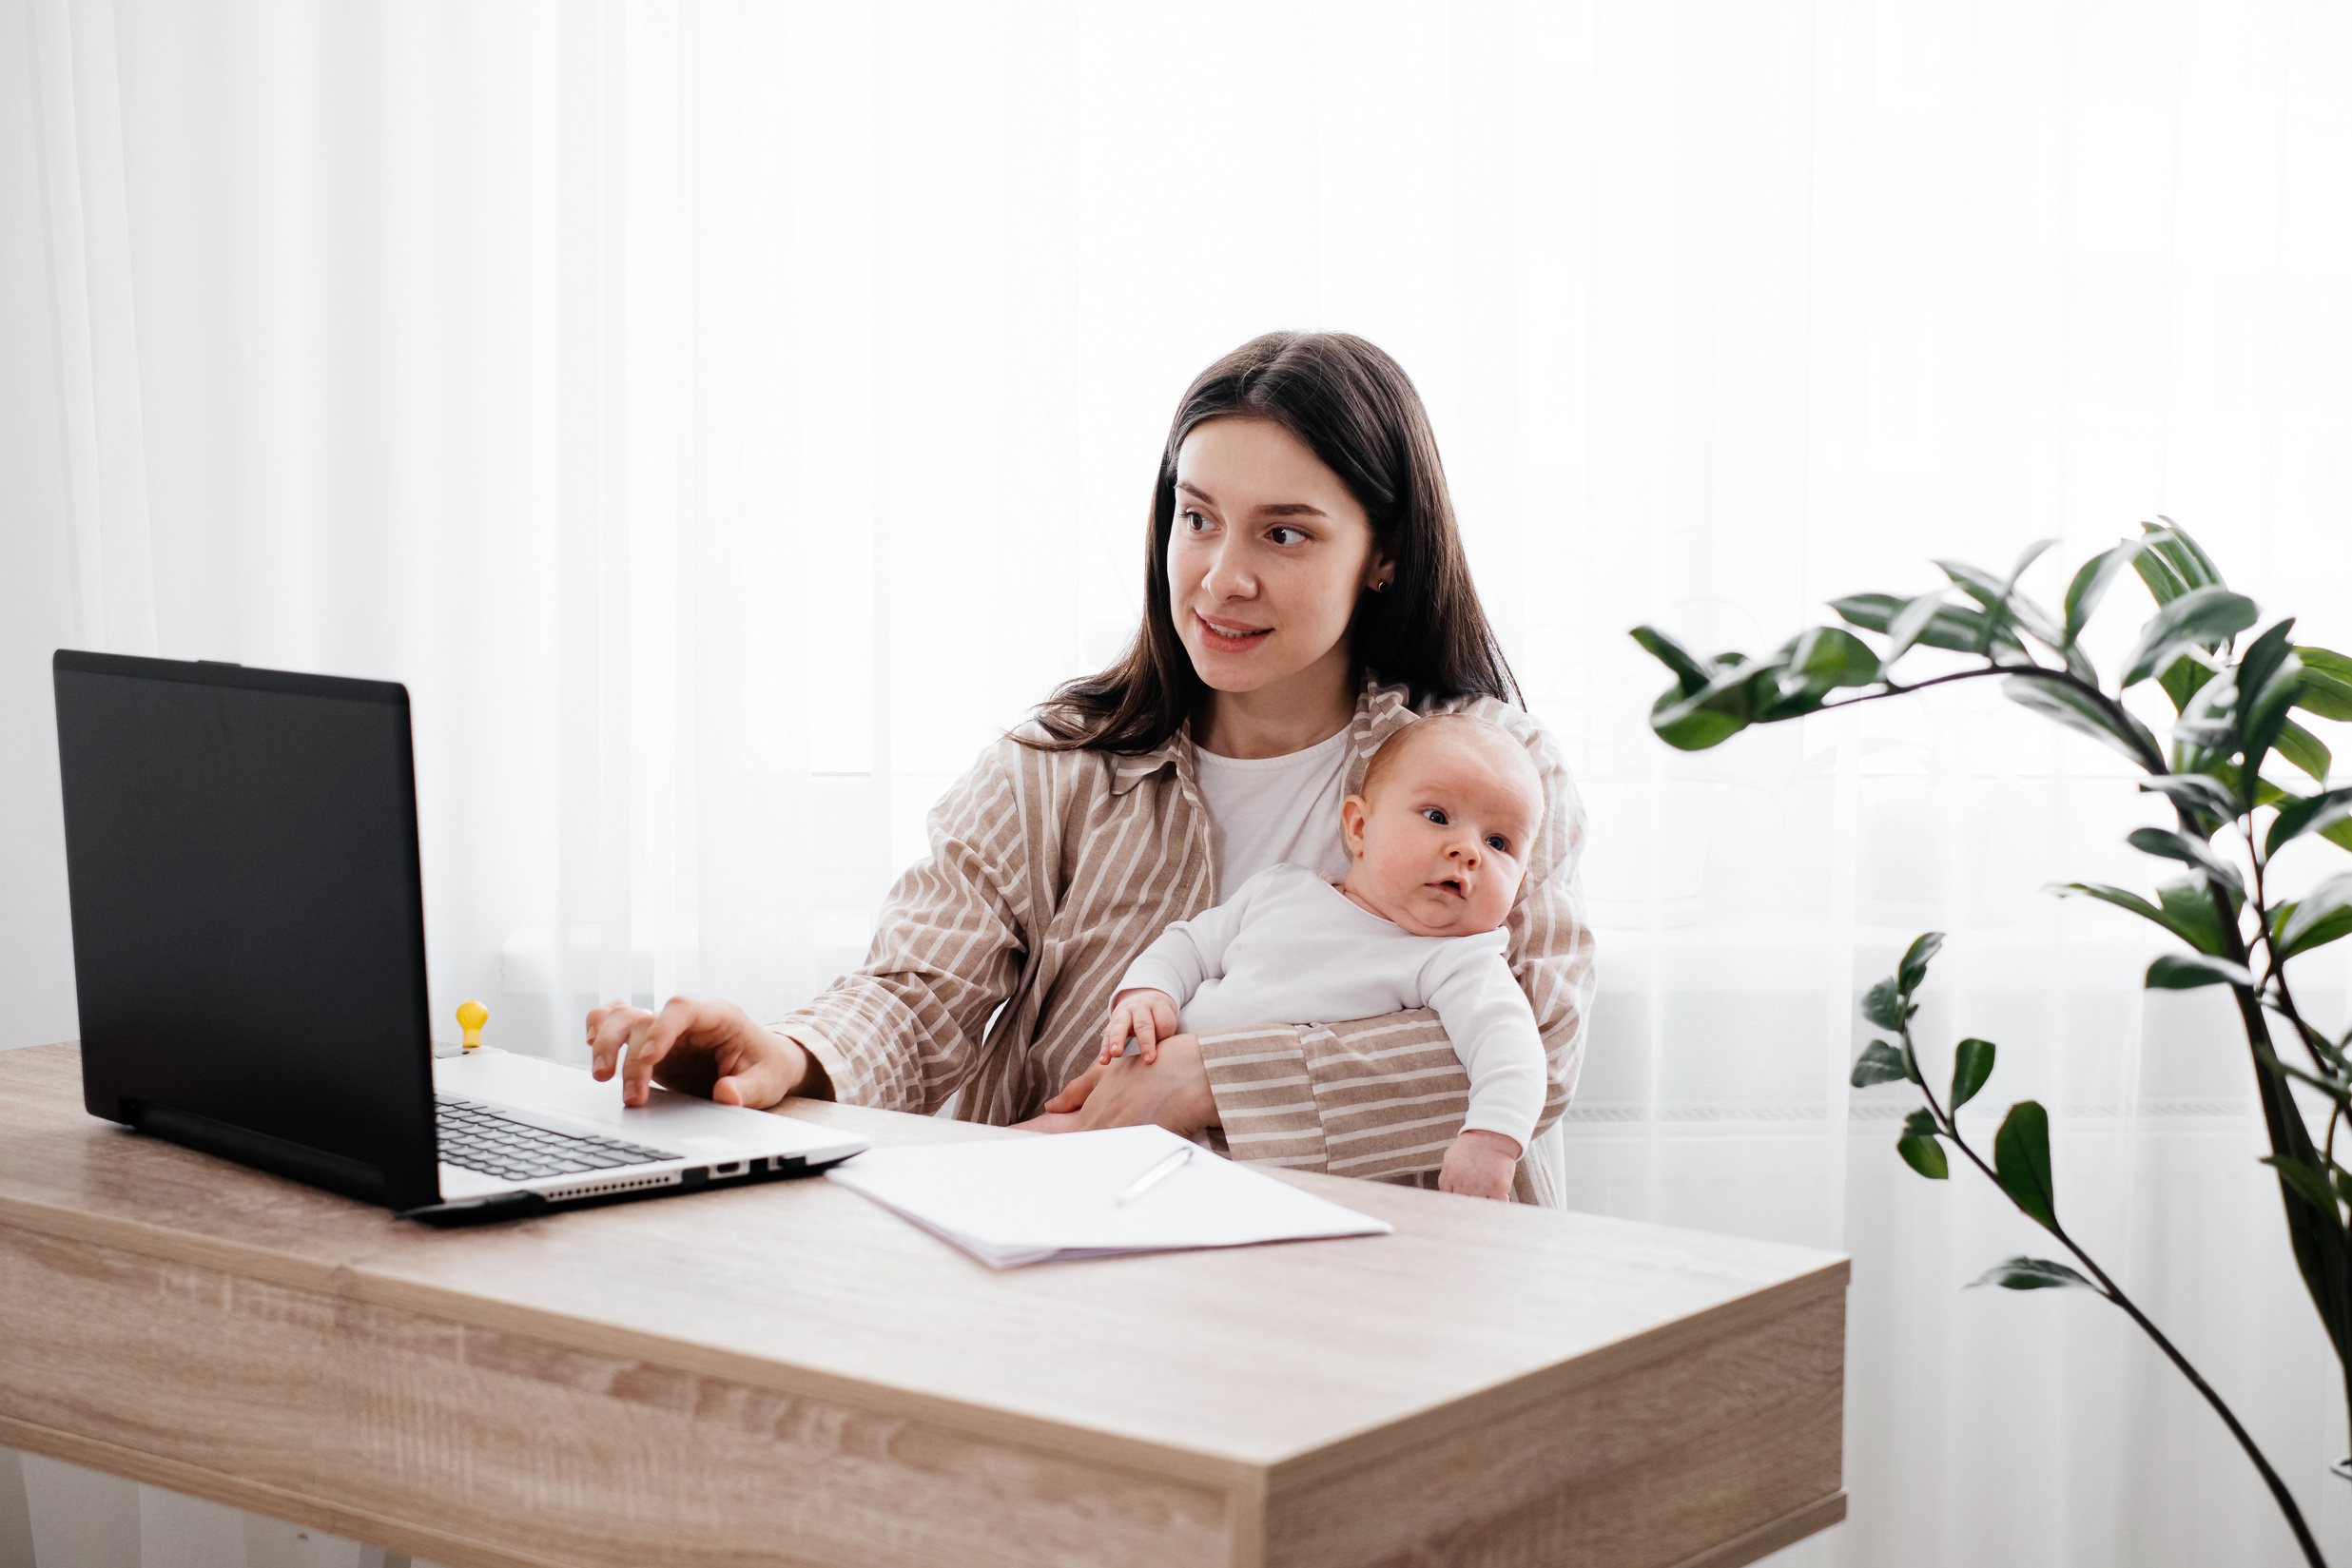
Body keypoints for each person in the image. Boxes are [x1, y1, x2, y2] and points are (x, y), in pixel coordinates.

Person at [585, 331, 1597, 1204]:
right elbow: (915, 993)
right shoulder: (1056, 765)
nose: (1221, 575)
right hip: (1088, 1270)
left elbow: (1537, 1044)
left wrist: (1206, 1079)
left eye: (1283, 533)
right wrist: (786, 1053)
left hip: (1395, 1287)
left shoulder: (1497, 773)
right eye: (1196, 517)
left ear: (1384, 553)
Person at [1100, 714, 1547, 1200]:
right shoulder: (1281, 888)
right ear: (1359, 827)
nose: (1468, 852)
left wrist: (1491, 1141)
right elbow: (1188, 943)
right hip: (1134, 1112)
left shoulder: (1457, 959)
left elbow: (1510, 1049)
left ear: (1520, 883)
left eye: (1498, 842)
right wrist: (1150, 990)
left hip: (1260, 1164)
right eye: (1437, 817)